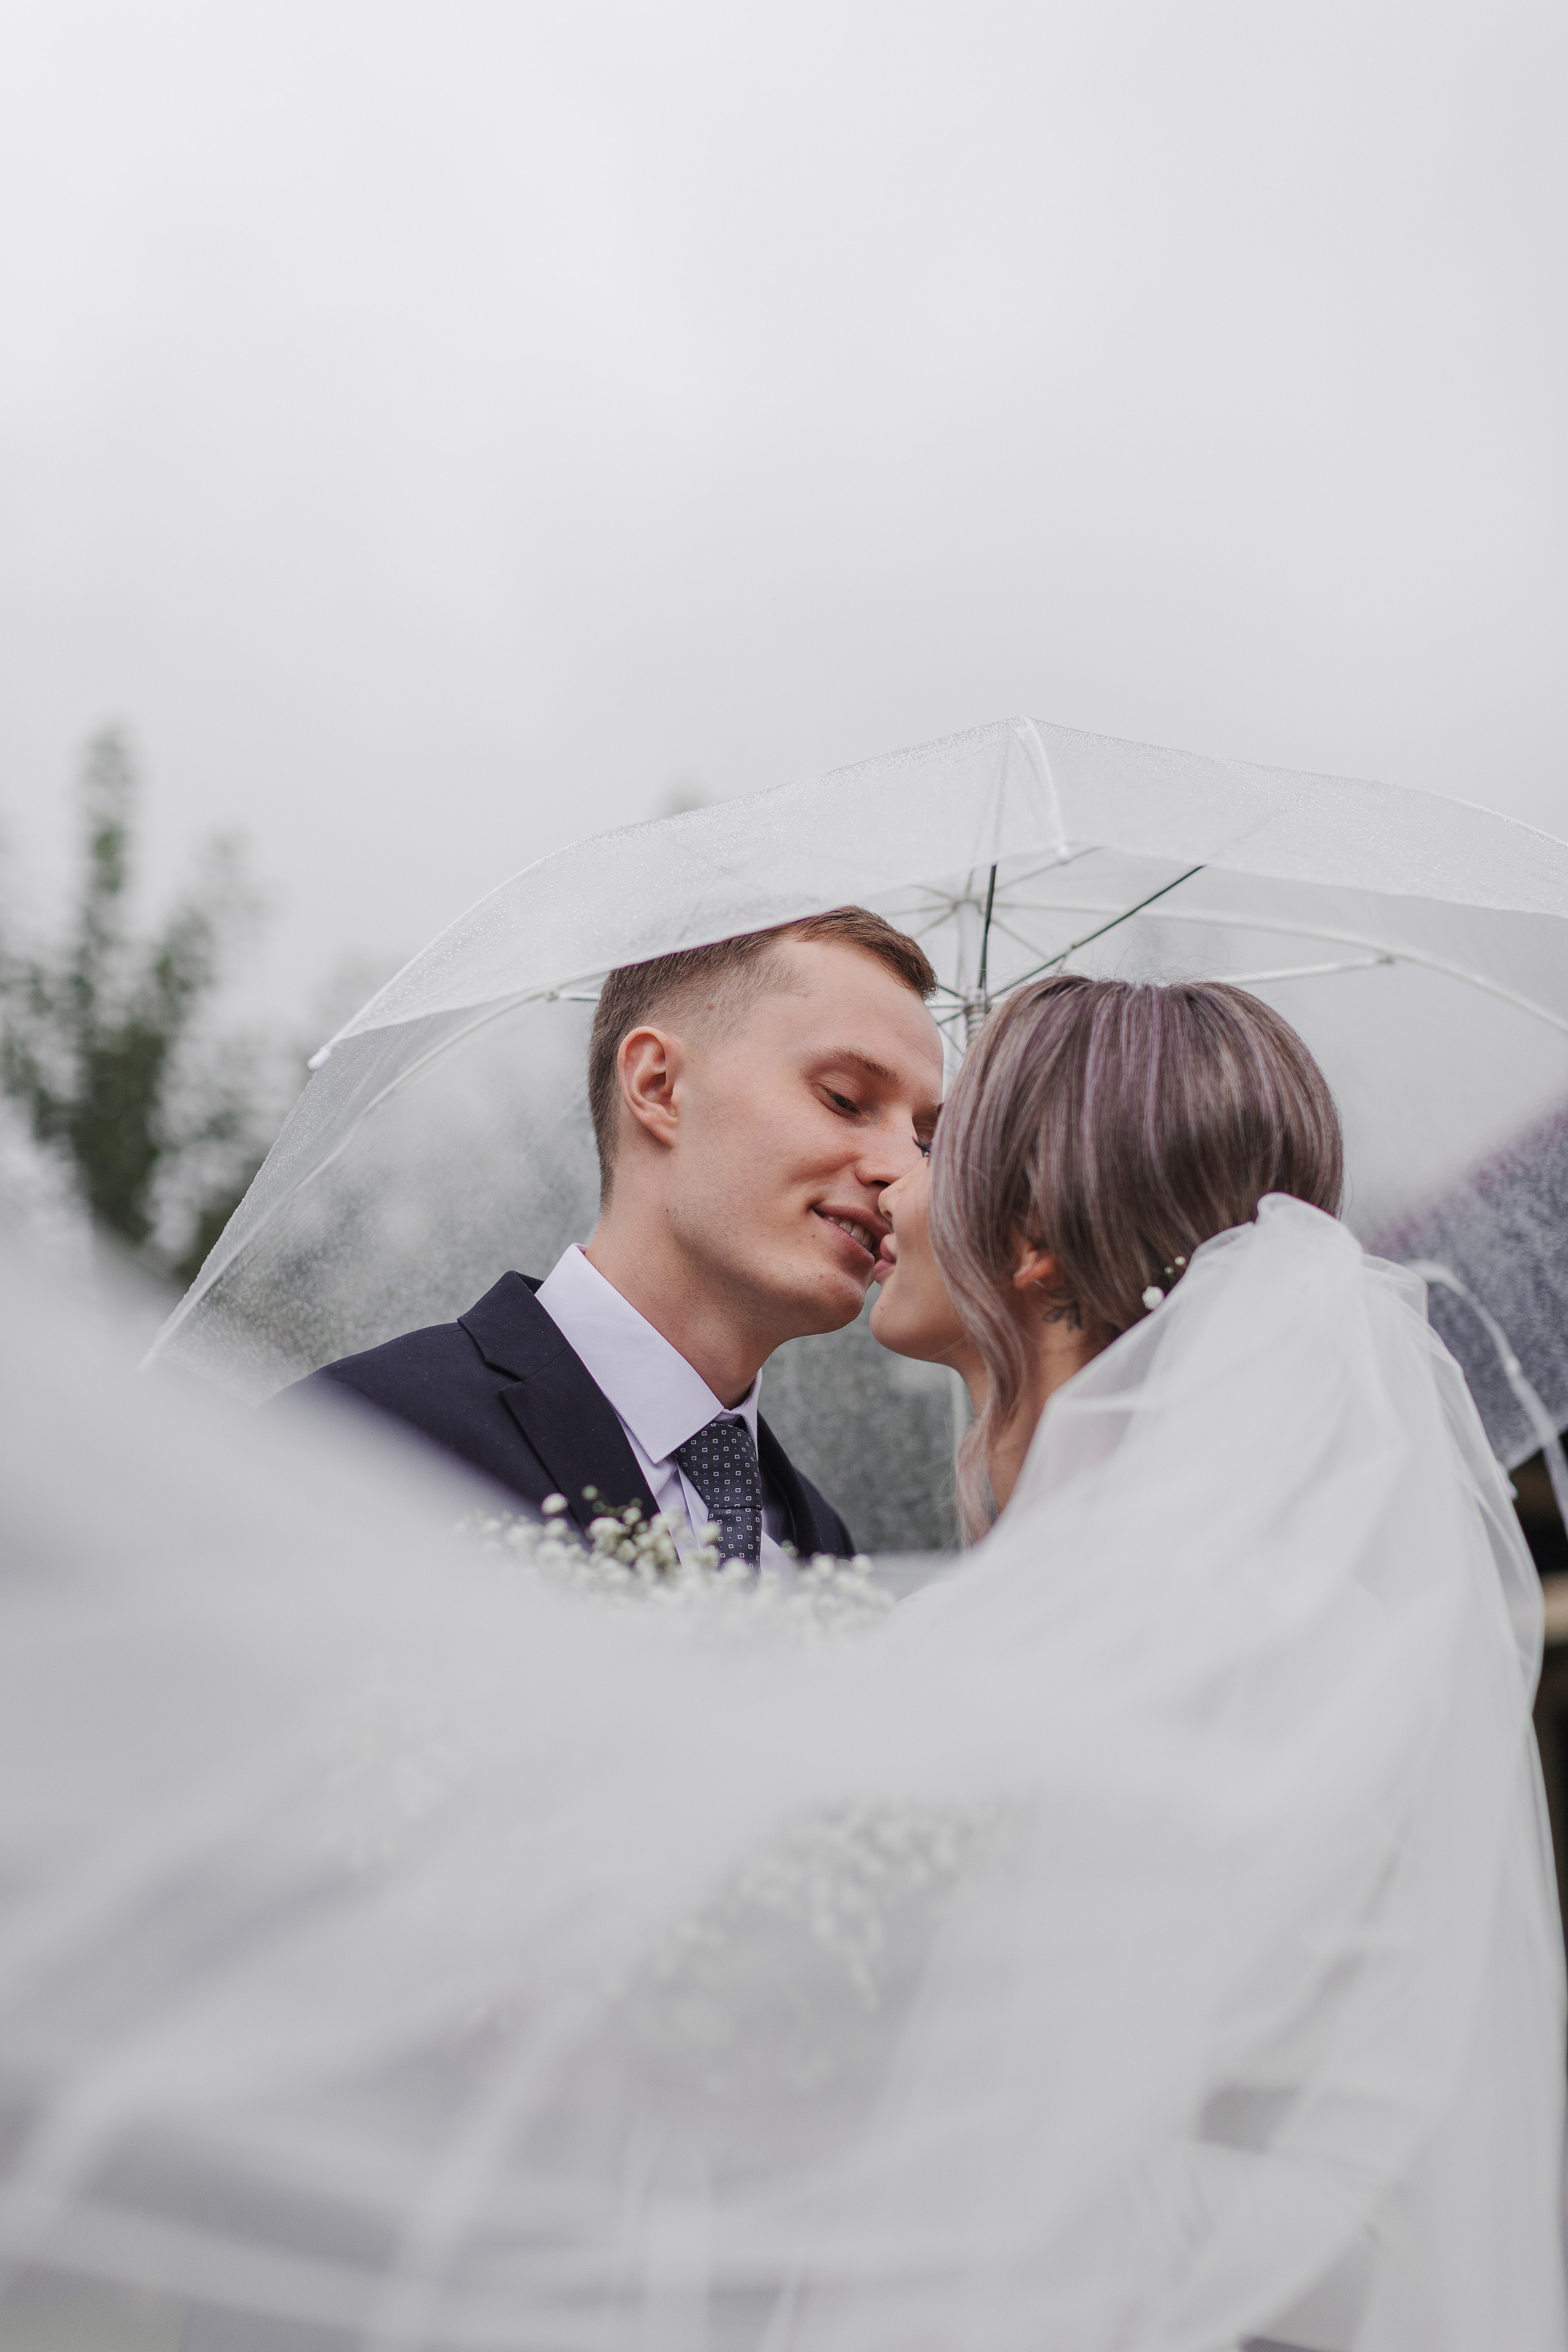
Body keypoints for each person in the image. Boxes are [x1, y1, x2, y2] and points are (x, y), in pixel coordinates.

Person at [282, 907, 944, 1566]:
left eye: (924, 1138)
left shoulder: (821, 1545)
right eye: (843, 1099)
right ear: (658, 1086)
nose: (905, 1172)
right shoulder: (360, 1441)